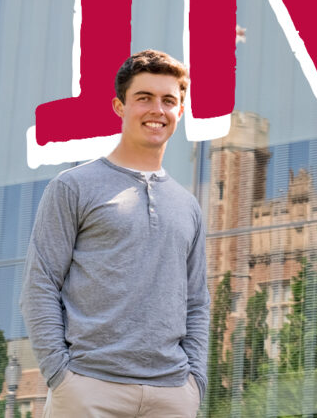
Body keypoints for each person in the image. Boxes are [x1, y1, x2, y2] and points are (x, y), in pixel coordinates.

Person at [22, 49, 209, 417]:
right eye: (144, 98)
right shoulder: (73, 186)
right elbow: (40, 283)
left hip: (171, 395)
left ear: (180, 112)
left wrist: (194, 383)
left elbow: (197, 302)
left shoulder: (187, 205)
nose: (157, 109)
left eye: (169, 100)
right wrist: (61, 375)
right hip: (88, 388)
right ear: (120, 106)